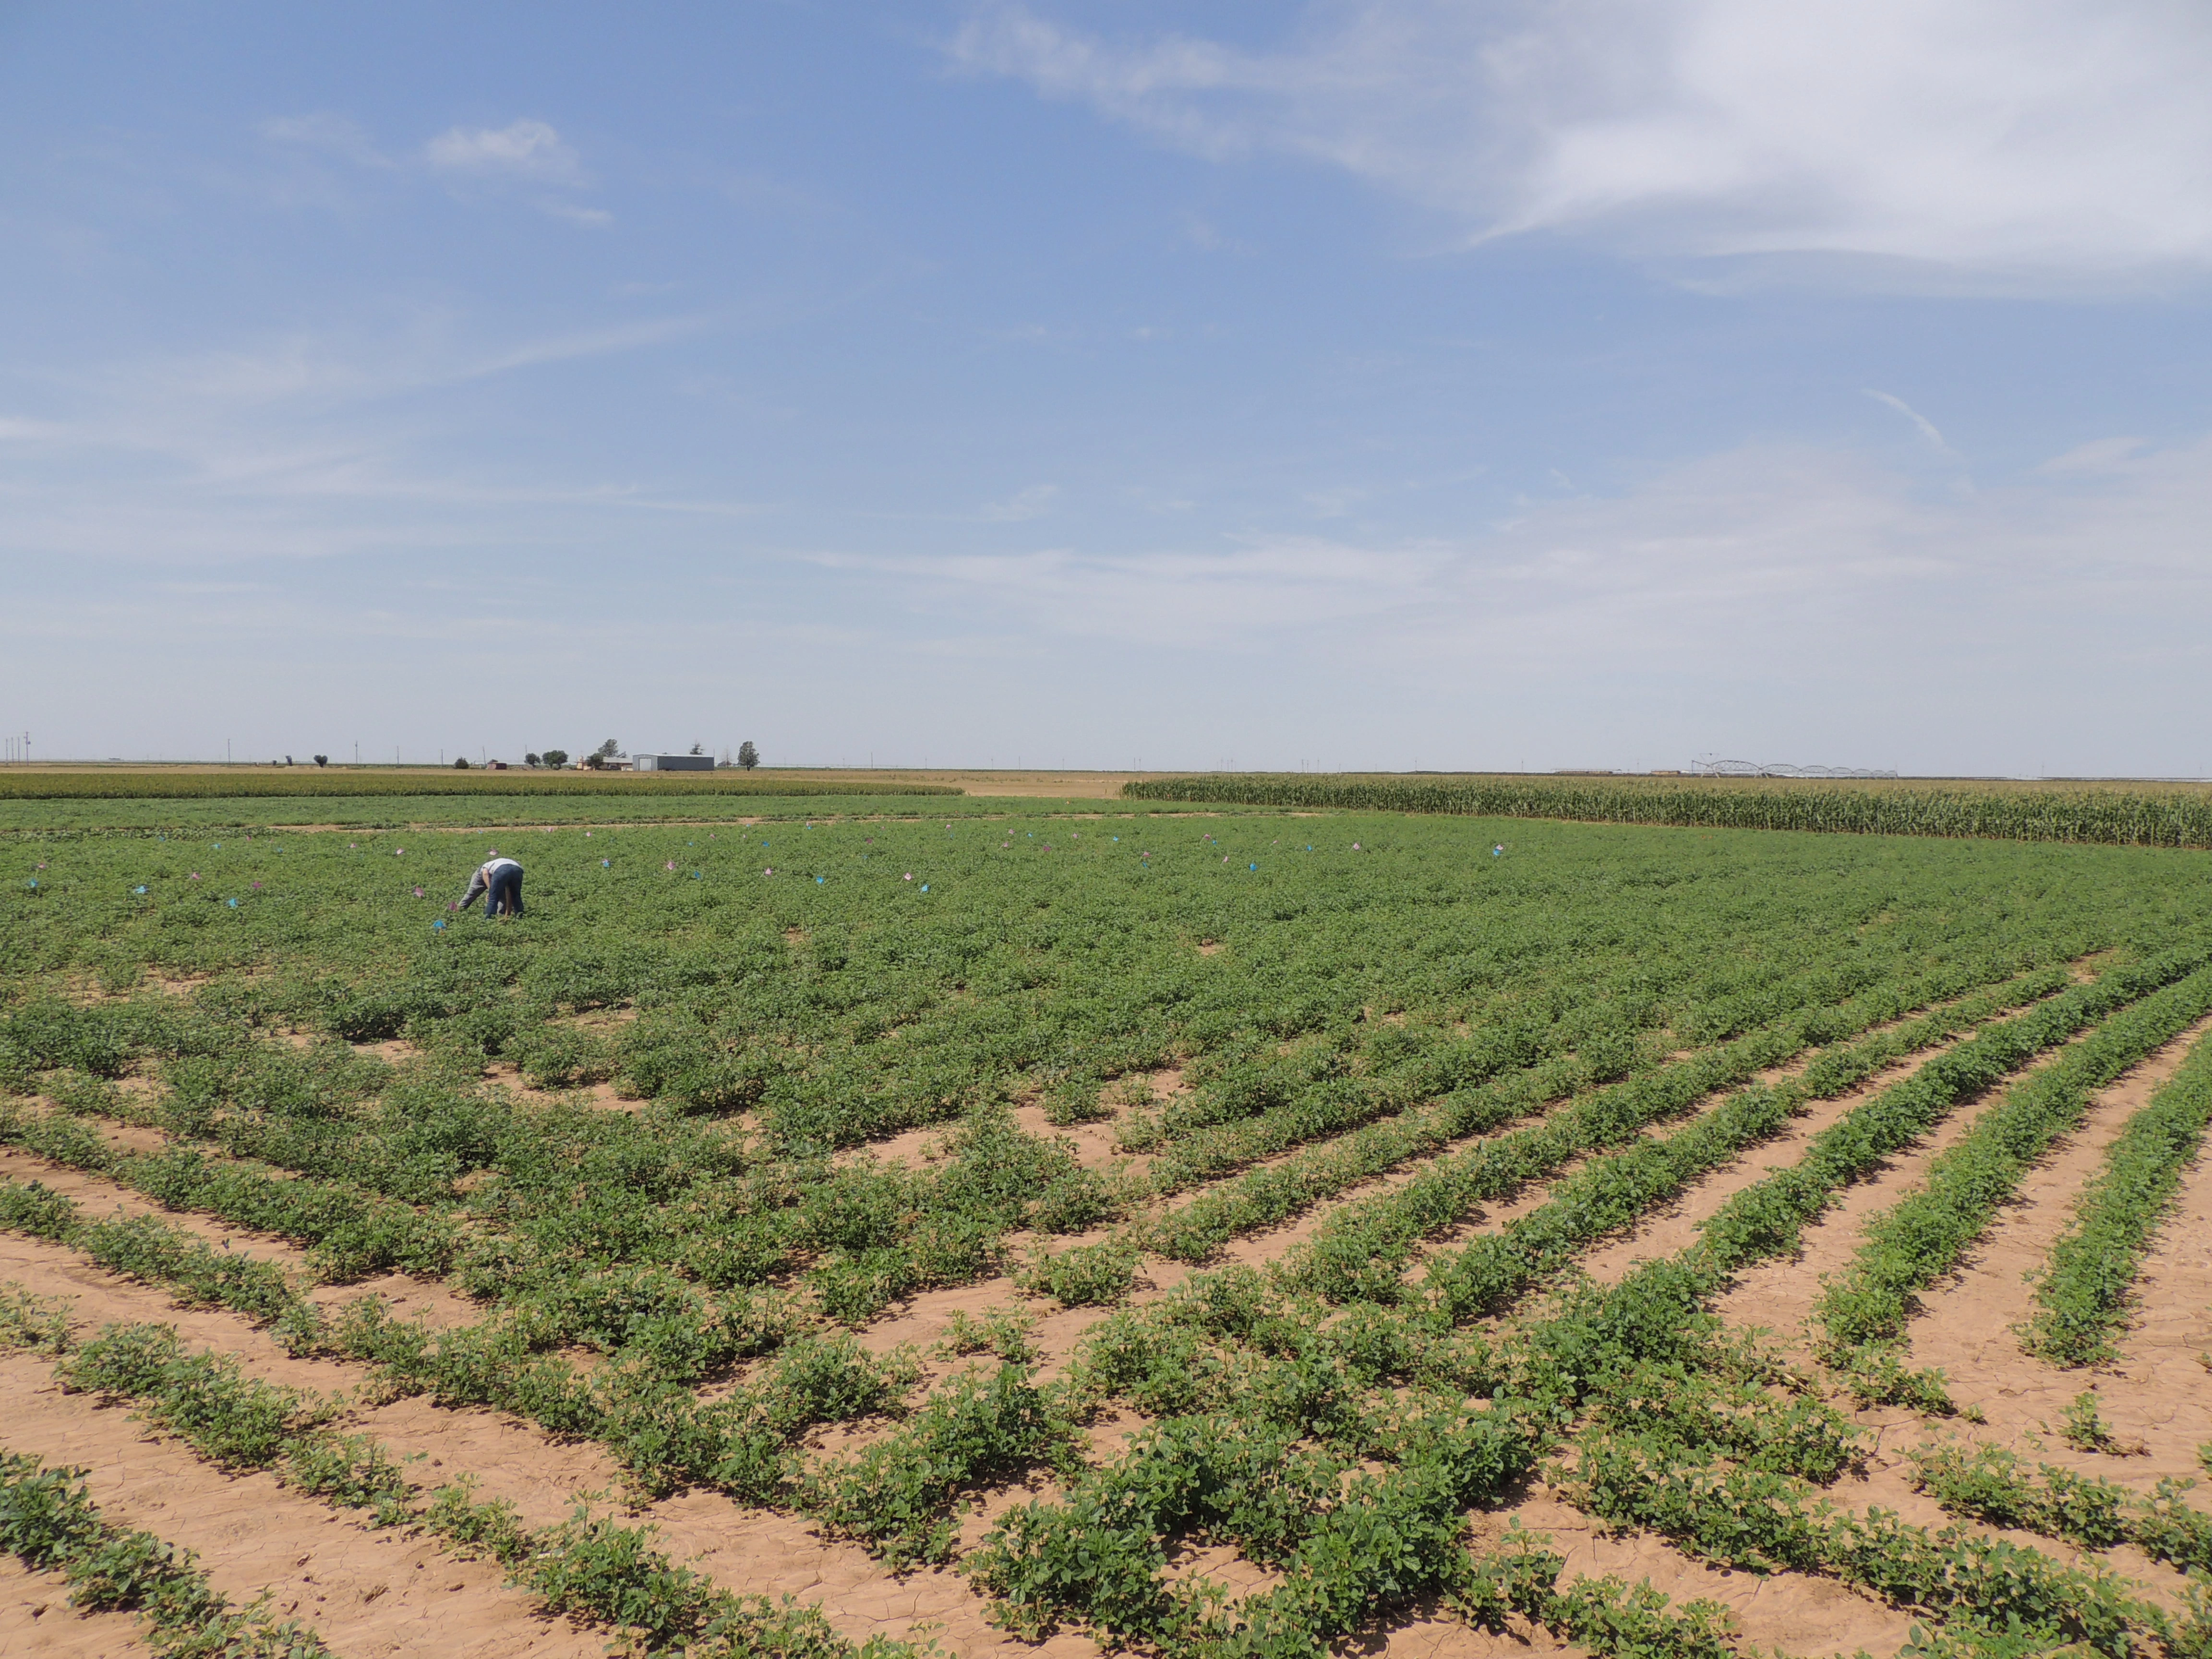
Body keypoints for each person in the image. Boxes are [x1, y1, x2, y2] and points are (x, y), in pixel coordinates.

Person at [458, 853, 525, 917]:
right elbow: (485, 874)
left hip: (501, 872)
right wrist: (491, 890)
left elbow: (509, 894)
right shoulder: (487, 866)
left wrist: (508, 913)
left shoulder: (501, 866)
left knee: (496, 898)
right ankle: (520, 917)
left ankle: (492, 918)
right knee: (515, 897)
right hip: (515, 871)